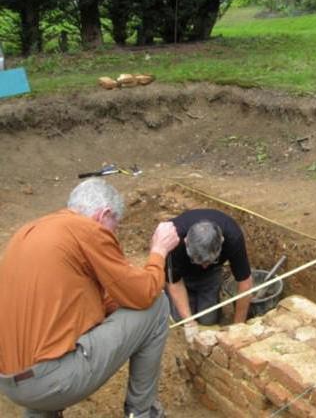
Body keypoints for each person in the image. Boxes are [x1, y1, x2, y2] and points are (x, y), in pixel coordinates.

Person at [0, 178, 179, 418]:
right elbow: (144, 294)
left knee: (43, 340)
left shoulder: (32, 231)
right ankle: (143, 412)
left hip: (11, 383)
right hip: (51, 382)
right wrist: (159, 251)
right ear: (103, 214)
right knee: (157, 305)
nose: (114, 235)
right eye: (114, 227)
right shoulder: (87, 230)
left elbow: (94, 300)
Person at [165, 209, 253, 342]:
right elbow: (174, 283)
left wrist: (238, 327)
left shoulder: (233, 237)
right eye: (198, 261)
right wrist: (189, 321)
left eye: (210, 261)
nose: (204, 266)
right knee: (181, 320)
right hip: (182, 277)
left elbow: (245, 283)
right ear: (186, 241)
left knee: (208, 320)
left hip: (211, 277)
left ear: (222, 241)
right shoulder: (173, 239)